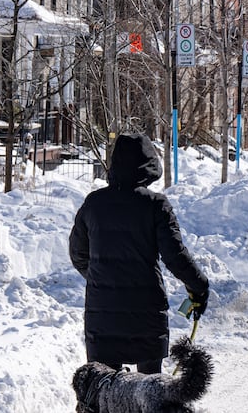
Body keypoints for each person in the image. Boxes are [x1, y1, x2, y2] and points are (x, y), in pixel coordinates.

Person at [69, 133, 210, 374]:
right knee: (149, 393)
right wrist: (199, 286)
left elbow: (78, 254)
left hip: (102, 316)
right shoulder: (156, 205)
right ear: (149, 165)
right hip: (146, 314)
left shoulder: (93, 204)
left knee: (103, 392)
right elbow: (175, 256)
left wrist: (101, 278)